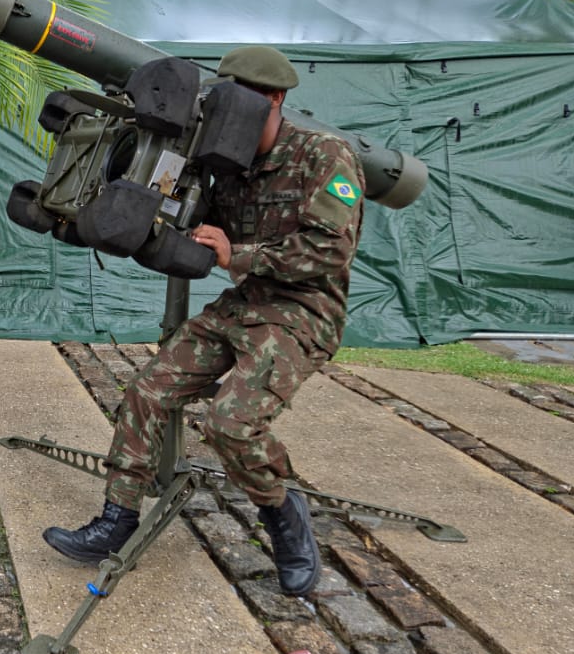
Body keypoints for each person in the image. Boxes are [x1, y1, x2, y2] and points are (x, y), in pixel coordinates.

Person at [42, 46, 365, 597]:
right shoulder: (224, 162)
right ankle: (118, 519)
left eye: (243, 100)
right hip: (244, 303)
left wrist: (238, 254)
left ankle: (282, 512)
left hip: (303, 311)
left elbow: (331, 251)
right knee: (147, 391)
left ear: (275, 99)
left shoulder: (324, 155)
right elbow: (195, 224)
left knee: (229, 423)